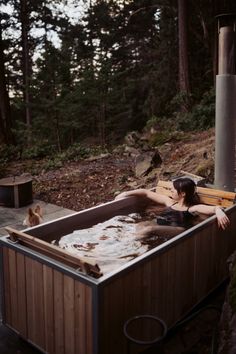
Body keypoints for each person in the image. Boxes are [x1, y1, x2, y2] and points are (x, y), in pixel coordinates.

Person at [115, 177, 230, 239]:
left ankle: (128, 247)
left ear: (183, 193)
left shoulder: (191, 208)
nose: (171, 191)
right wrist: (125, 194)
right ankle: (129, 243)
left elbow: (214, 208)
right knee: (141, 225)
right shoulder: (170, 202)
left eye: (173, 189)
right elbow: (146, 193)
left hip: (178, 229)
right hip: (161, 224)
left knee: (150, 229)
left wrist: (219, 211)